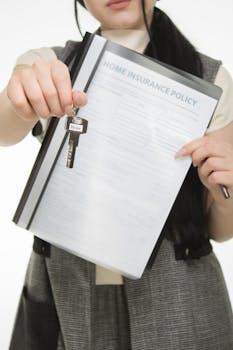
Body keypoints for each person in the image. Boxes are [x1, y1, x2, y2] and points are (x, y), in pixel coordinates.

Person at [0, 1, 233, 349]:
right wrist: (20, 97)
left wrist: (224, 195)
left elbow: (220, 229)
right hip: (68, 289)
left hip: (179, 292)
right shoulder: (48, 64)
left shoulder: (209, 77)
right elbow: (5, 129)